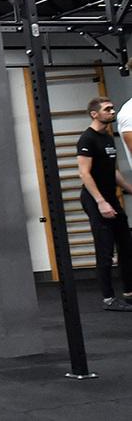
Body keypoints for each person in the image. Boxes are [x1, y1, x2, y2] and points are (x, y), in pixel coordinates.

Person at [76, 97, 132, 311]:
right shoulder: (87, 139)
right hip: (95, 199)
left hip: (111, 197)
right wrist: (100, 202)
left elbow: (113, 170)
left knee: (126, 246)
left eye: (112, 108)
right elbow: (84, 173)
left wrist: (129, 188)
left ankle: (129, 292)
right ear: (94, 114)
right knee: (105, 250)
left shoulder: (107, 137)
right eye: (107, 109)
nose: (112, 111)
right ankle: (109, 298)